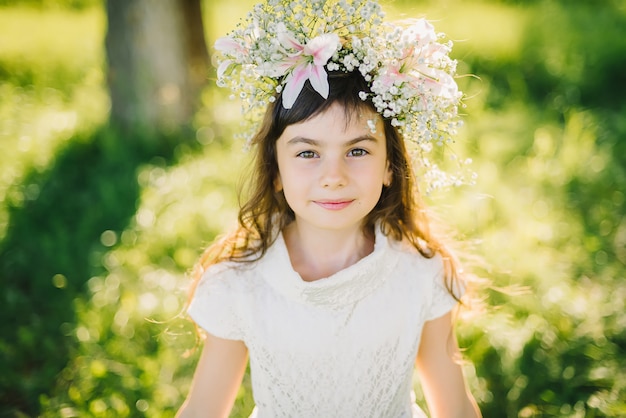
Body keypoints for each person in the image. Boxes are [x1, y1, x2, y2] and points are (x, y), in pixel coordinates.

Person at [177, 0, 481, 416]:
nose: (333, 175)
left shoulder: (420, 273)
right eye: (307, 154)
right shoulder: (242, 283)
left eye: (357, 150)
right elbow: (203, 411)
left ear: (389, 166)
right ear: (276, 170)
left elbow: (456, 408)